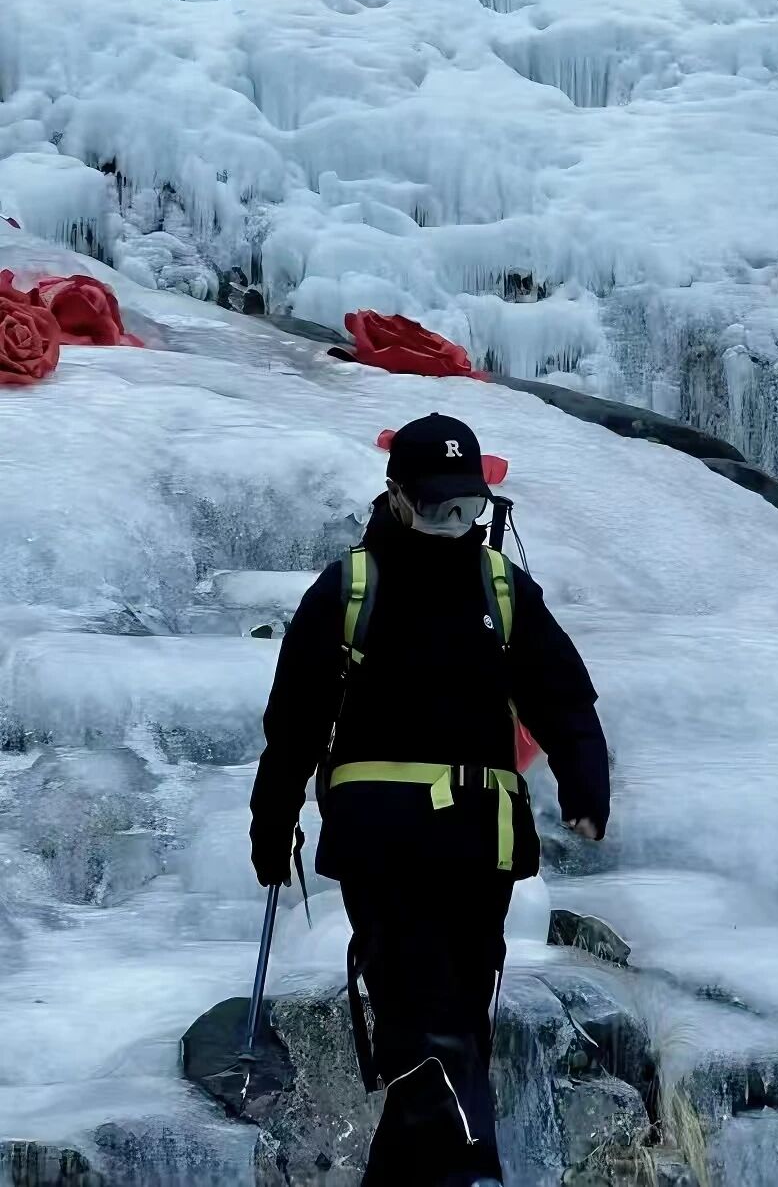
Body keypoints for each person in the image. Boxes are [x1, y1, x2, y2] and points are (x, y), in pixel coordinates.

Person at [249, 412, 610, 1187]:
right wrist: (272, 821)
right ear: (397, 497)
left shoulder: (502, 587)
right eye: (439, 505)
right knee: (431, 1026)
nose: (455, 523)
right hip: (388, 852)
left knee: (454, 1028)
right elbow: (295, 721)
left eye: (468, 507)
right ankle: (475, 1173)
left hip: (481, 851)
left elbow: (562, 695)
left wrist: (585, 781)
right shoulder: (351, 588)